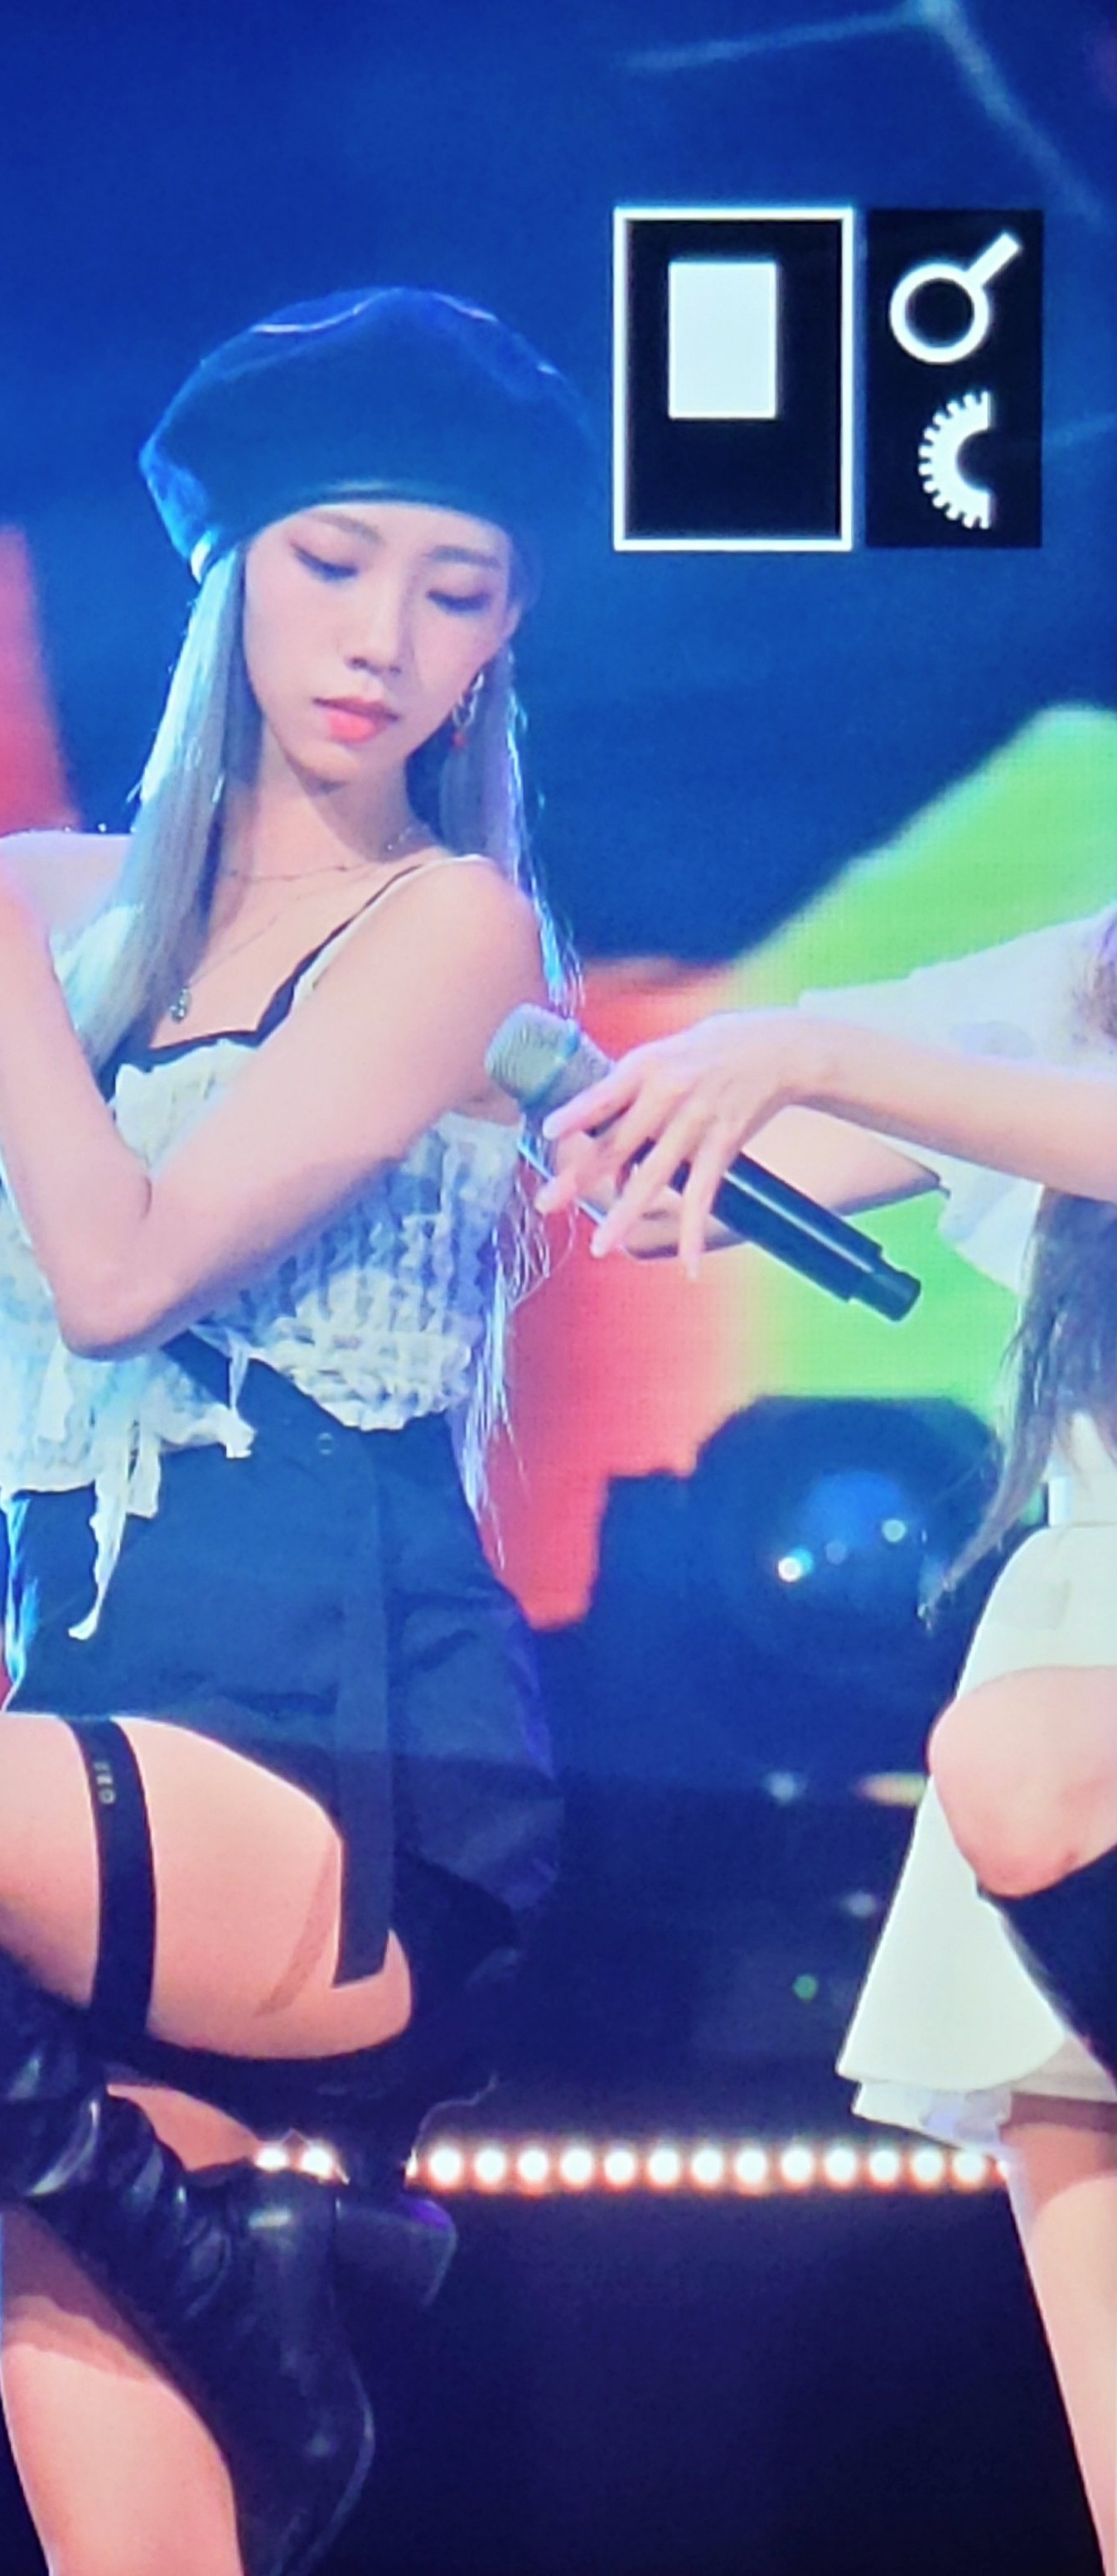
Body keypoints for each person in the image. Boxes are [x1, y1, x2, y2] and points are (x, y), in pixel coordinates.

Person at [0, 288, 581, 2576]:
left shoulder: (451, 926)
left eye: (454, 591)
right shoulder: (77, 903)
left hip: (340, 1784)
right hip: (105, 1784)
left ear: (501, 640)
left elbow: (122, 1273)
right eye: (331, 561)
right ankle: (226, 2257)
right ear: (229, 573)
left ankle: (257, 2318)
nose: (381, 637)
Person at [538, 907, 1117, 2569]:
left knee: (1021, 1757)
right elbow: (702, 1170)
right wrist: (615, 1128)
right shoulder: (1066, 978)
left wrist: (812, 1054)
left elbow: (888, 1081)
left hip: (1067, 1735)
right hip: (1077, 1629)